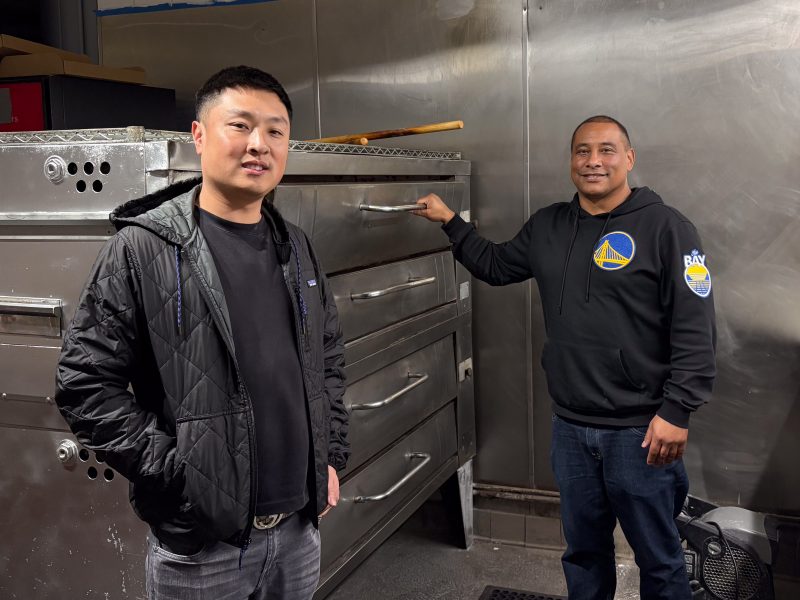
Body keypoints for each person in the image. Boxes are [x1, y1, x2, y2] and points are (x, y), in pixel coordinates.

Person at [55, 65, 349, 600]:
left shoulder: (296, 247)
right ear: (198, 135)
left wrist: (329, 457)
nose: (259, 144)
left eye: (275, 131)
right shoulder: (141, 250)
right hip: (201, 551)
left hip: (298, 534)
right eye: (240, 125)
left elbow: (327, 360)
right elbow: (84, 385)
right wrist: (182, 476)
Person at [413, 115, 715, 600]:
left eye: (606, 150)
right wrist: (452, 222)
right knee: (583, 553)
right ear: (571, 160)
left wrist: (677, 411)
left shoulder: (667, 228)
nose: (593, 161)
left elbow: (695, 326)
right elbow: (496, 265)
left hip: (639, 431)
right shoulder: (549, 225)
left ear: (629, 158)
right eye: (582, 151)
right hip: (571, 427)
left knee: (659, 559)